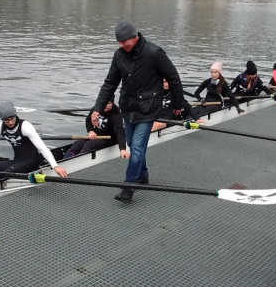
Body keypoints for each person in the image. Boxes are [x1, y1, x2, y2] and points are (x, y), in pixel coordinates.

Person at [91, 20, 187, 204]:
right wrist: (97, 109)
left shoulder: (154, 52)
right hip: (128, 107)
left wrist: (178, 104)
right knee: (133, 144)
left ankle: (128, 187)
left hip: (148, 108)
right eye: (119, 42)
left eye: (124, 42)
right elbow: (110, 83)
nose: (121, 45)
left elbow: (173, 78)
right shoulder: (119, 55)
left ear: (135, 38)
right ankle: (142, 175)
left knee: (136, 147)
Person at [0, 102, 67, 186]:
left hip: (31, 162)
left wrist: (55, 166)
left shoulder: (25, 126)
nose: (11, 122)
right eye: (7, 120)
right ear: (2, 119)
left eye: (12, 118)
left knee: (3, 175)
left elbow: (41, 146)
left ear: (16, 115)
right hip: (17, 161)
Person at [63, 97, 130, 159]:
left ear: (112, 103)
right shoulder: (97, 108)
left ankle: (76, 163)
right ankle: (64, 163)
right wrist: (90, 131)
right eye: (104, 103)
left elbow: (119, 132)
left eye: (108, 103)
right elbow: (88, 120)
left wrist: (122, 149)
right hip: (96, 134)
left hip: (109, 138)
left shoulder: (116, 114)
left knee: (89, 145)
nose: (105, 105)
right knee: (77, 144)